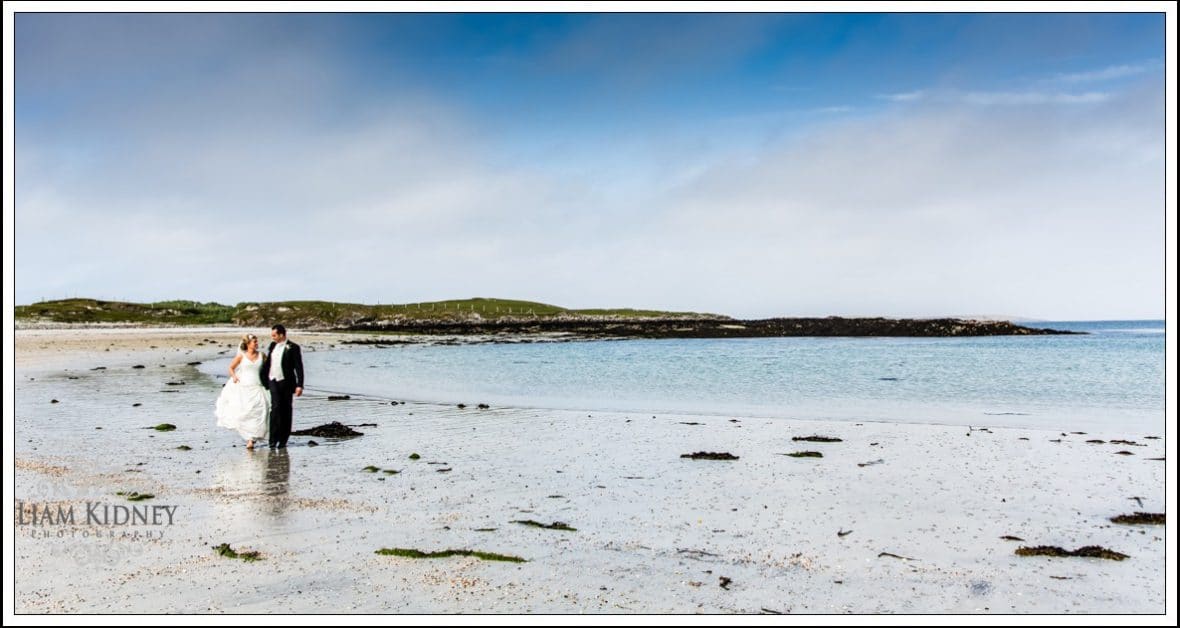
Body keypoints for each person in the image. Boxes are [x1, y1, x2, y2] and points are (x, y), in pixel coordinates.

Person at [214, 334, 270, 449]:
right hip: (244, 387)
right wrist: (234, 377)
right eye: (254, 341)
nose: (256, 343)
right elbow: (231, 368)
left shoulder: (262, 355)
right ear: (248, 344)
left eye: (257, 341)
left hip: (258, 387)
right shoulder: (241, 356)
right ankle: (250, 438)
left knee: (260, 411)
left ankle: (253, 439)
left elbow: (268, 369)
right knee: (246, 412)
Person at [260, 324, 304, 449]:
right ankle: (272, 440)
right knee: (275, 409)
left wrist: (300, 385)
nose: (272, 337)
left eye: (274, 335)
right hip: (273, 380)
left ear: (281, 334)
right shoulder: (272, 346)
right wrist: (264, 379)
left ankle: (283, 439)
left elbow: (298, 367)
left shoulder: (293, 347)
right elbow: (268, 364)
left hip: (286, 382)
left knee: (286, 410)